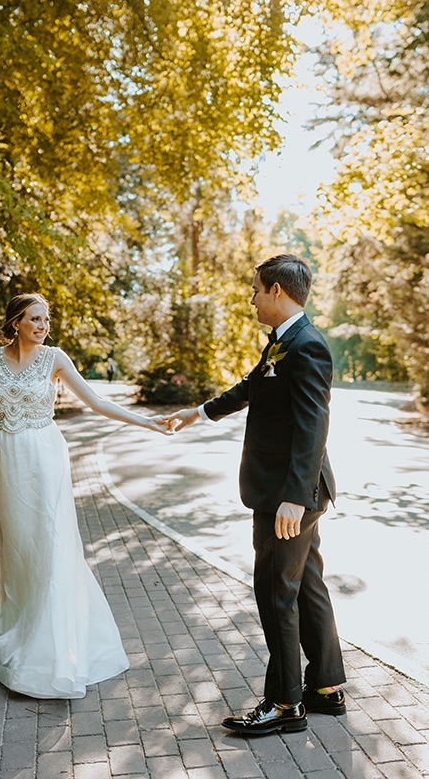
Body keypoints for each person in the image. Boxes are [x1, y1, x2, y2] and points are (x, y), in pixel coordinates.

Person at [0, 293, 170, 699]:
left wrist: (147, 422)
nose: (43, 326)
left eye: (46, 319)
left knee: (48, 544)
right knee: (16, 548)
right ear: (15, 323)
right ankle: (19, 625)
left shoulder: (55, 358)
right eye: (35, 319)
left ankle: (50, 644)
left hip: (44, 460)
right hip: (2, 458)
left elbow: (96, 401)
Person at [167, 254, 346, 735]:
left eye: (255, 290)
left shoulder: (307, 346)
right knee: (307, 585)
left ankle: (285, 704)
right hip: (293, 491)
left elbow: (314, 426)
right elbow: (253, 385)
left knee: (276, 594)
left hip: (287, 496)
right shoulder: (284, 342)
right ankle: (326, 686)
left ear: (277, 292)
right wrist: (199, 412)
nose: (251, 299)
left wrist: (294, 495)